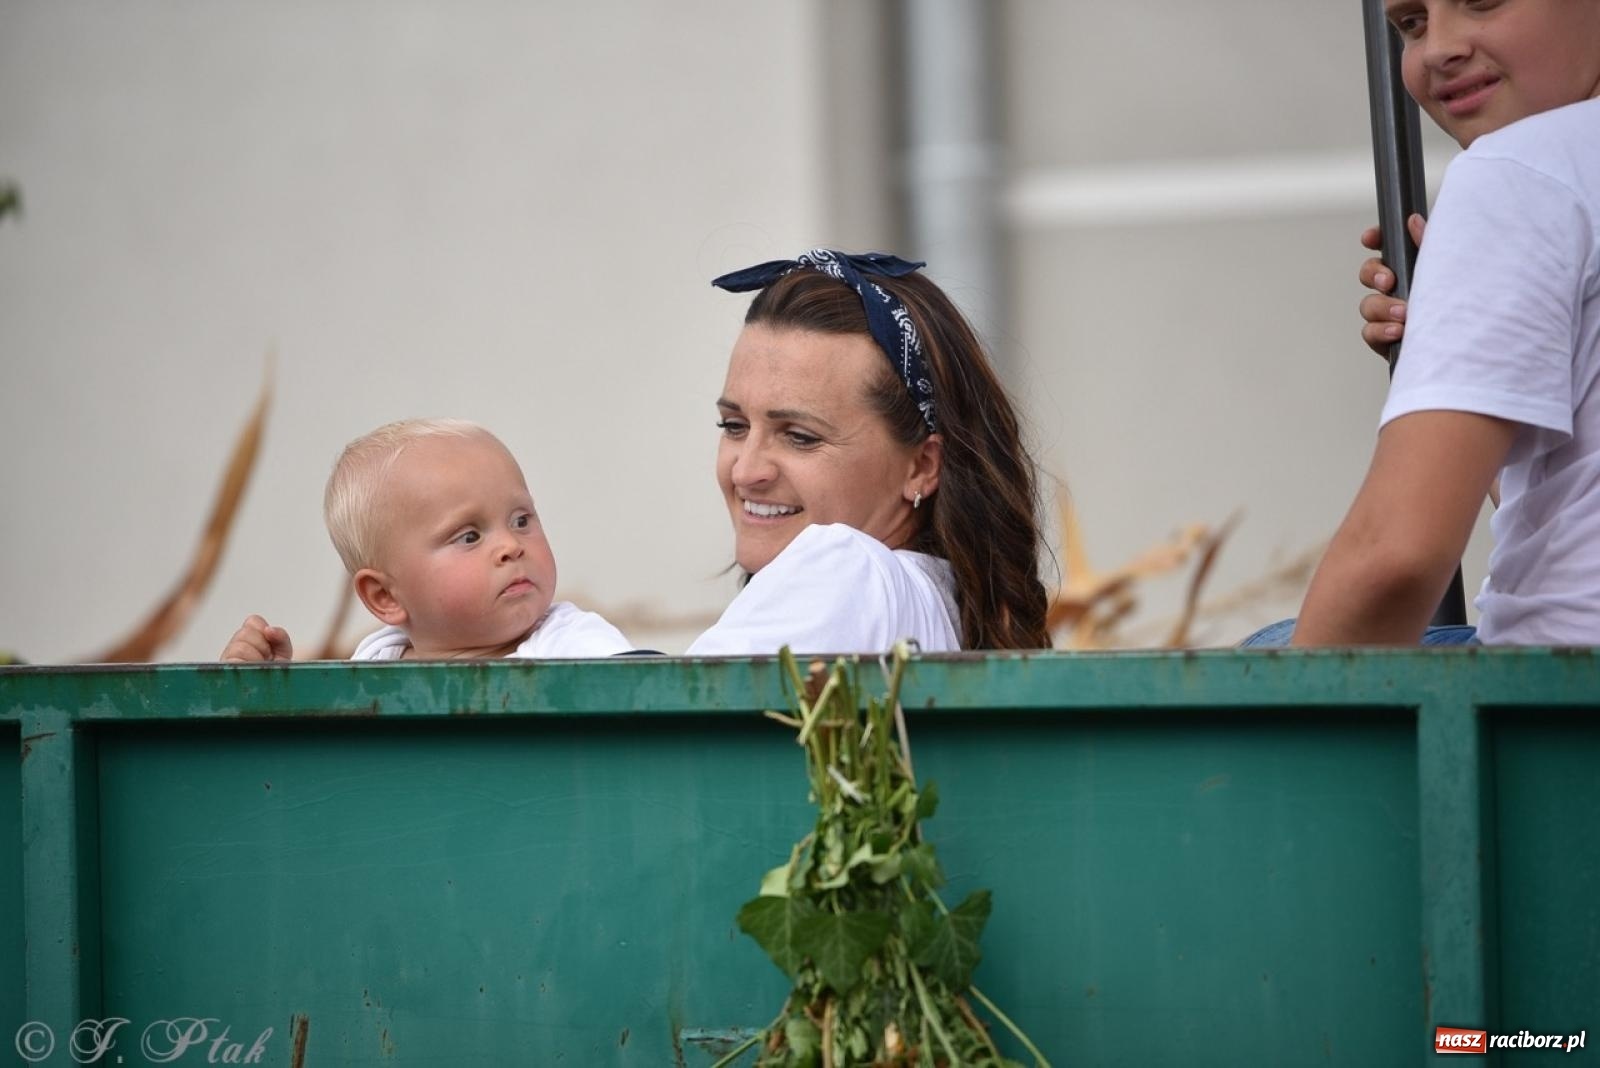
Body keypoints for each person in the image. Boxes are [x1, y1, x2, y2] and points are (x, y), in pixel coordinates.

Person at [1289, 0, 1600, 645]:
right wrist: (1474, 351)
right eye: (1412, 23)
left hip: (1562, 686)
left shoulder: (1520, 169)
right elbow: (1568, 511)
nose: (1439, 49)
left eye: (1482, 1)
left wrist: (1280, 724)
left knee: (1271, 654)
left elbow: (1392, 561)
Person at [685, 249, 1050, 655]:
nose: (745, 472)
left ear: (922, 467)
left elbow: (672, 696)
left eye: (800, 437)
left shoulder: (846, 572)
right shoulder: (938, 603)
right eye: (734, 426)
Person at [221, 419, 633, 660]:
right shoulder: (375, 663)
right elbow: (325, 766)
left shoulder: (571, 642)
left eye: (521, 520)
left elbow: (645, 702)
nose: (511, 546)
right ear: (385, 596)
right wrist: (272, 694)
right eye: (469, 536)